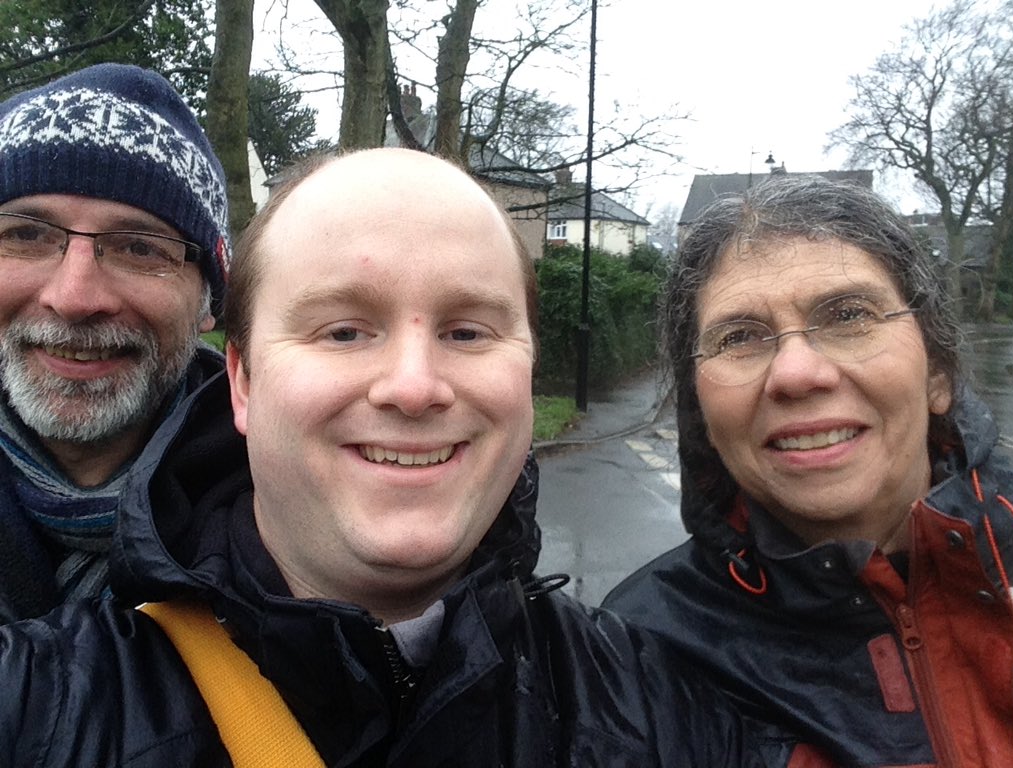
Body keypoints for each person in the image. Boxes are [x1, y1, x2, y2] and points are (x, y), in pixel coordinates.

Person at [0, 149, 778, 766]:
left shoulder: (675, 712)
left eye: (468, 331)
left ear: (528, 368)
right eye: (343, 330)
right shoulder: (37, 706)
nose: (414, 387)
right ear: (241, 379)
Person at [604, 175, 1013, 766]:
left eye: (849, 314)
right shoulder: (634, 655)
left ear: (938, 374)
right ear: (701, 411)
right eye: (741, 337)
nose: (797, 373)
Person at [0, 63, 230, 622]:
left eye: (139, 247)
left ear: (209, 301)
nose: (74, 298)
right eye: (26, 235)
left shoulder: (291, 518)